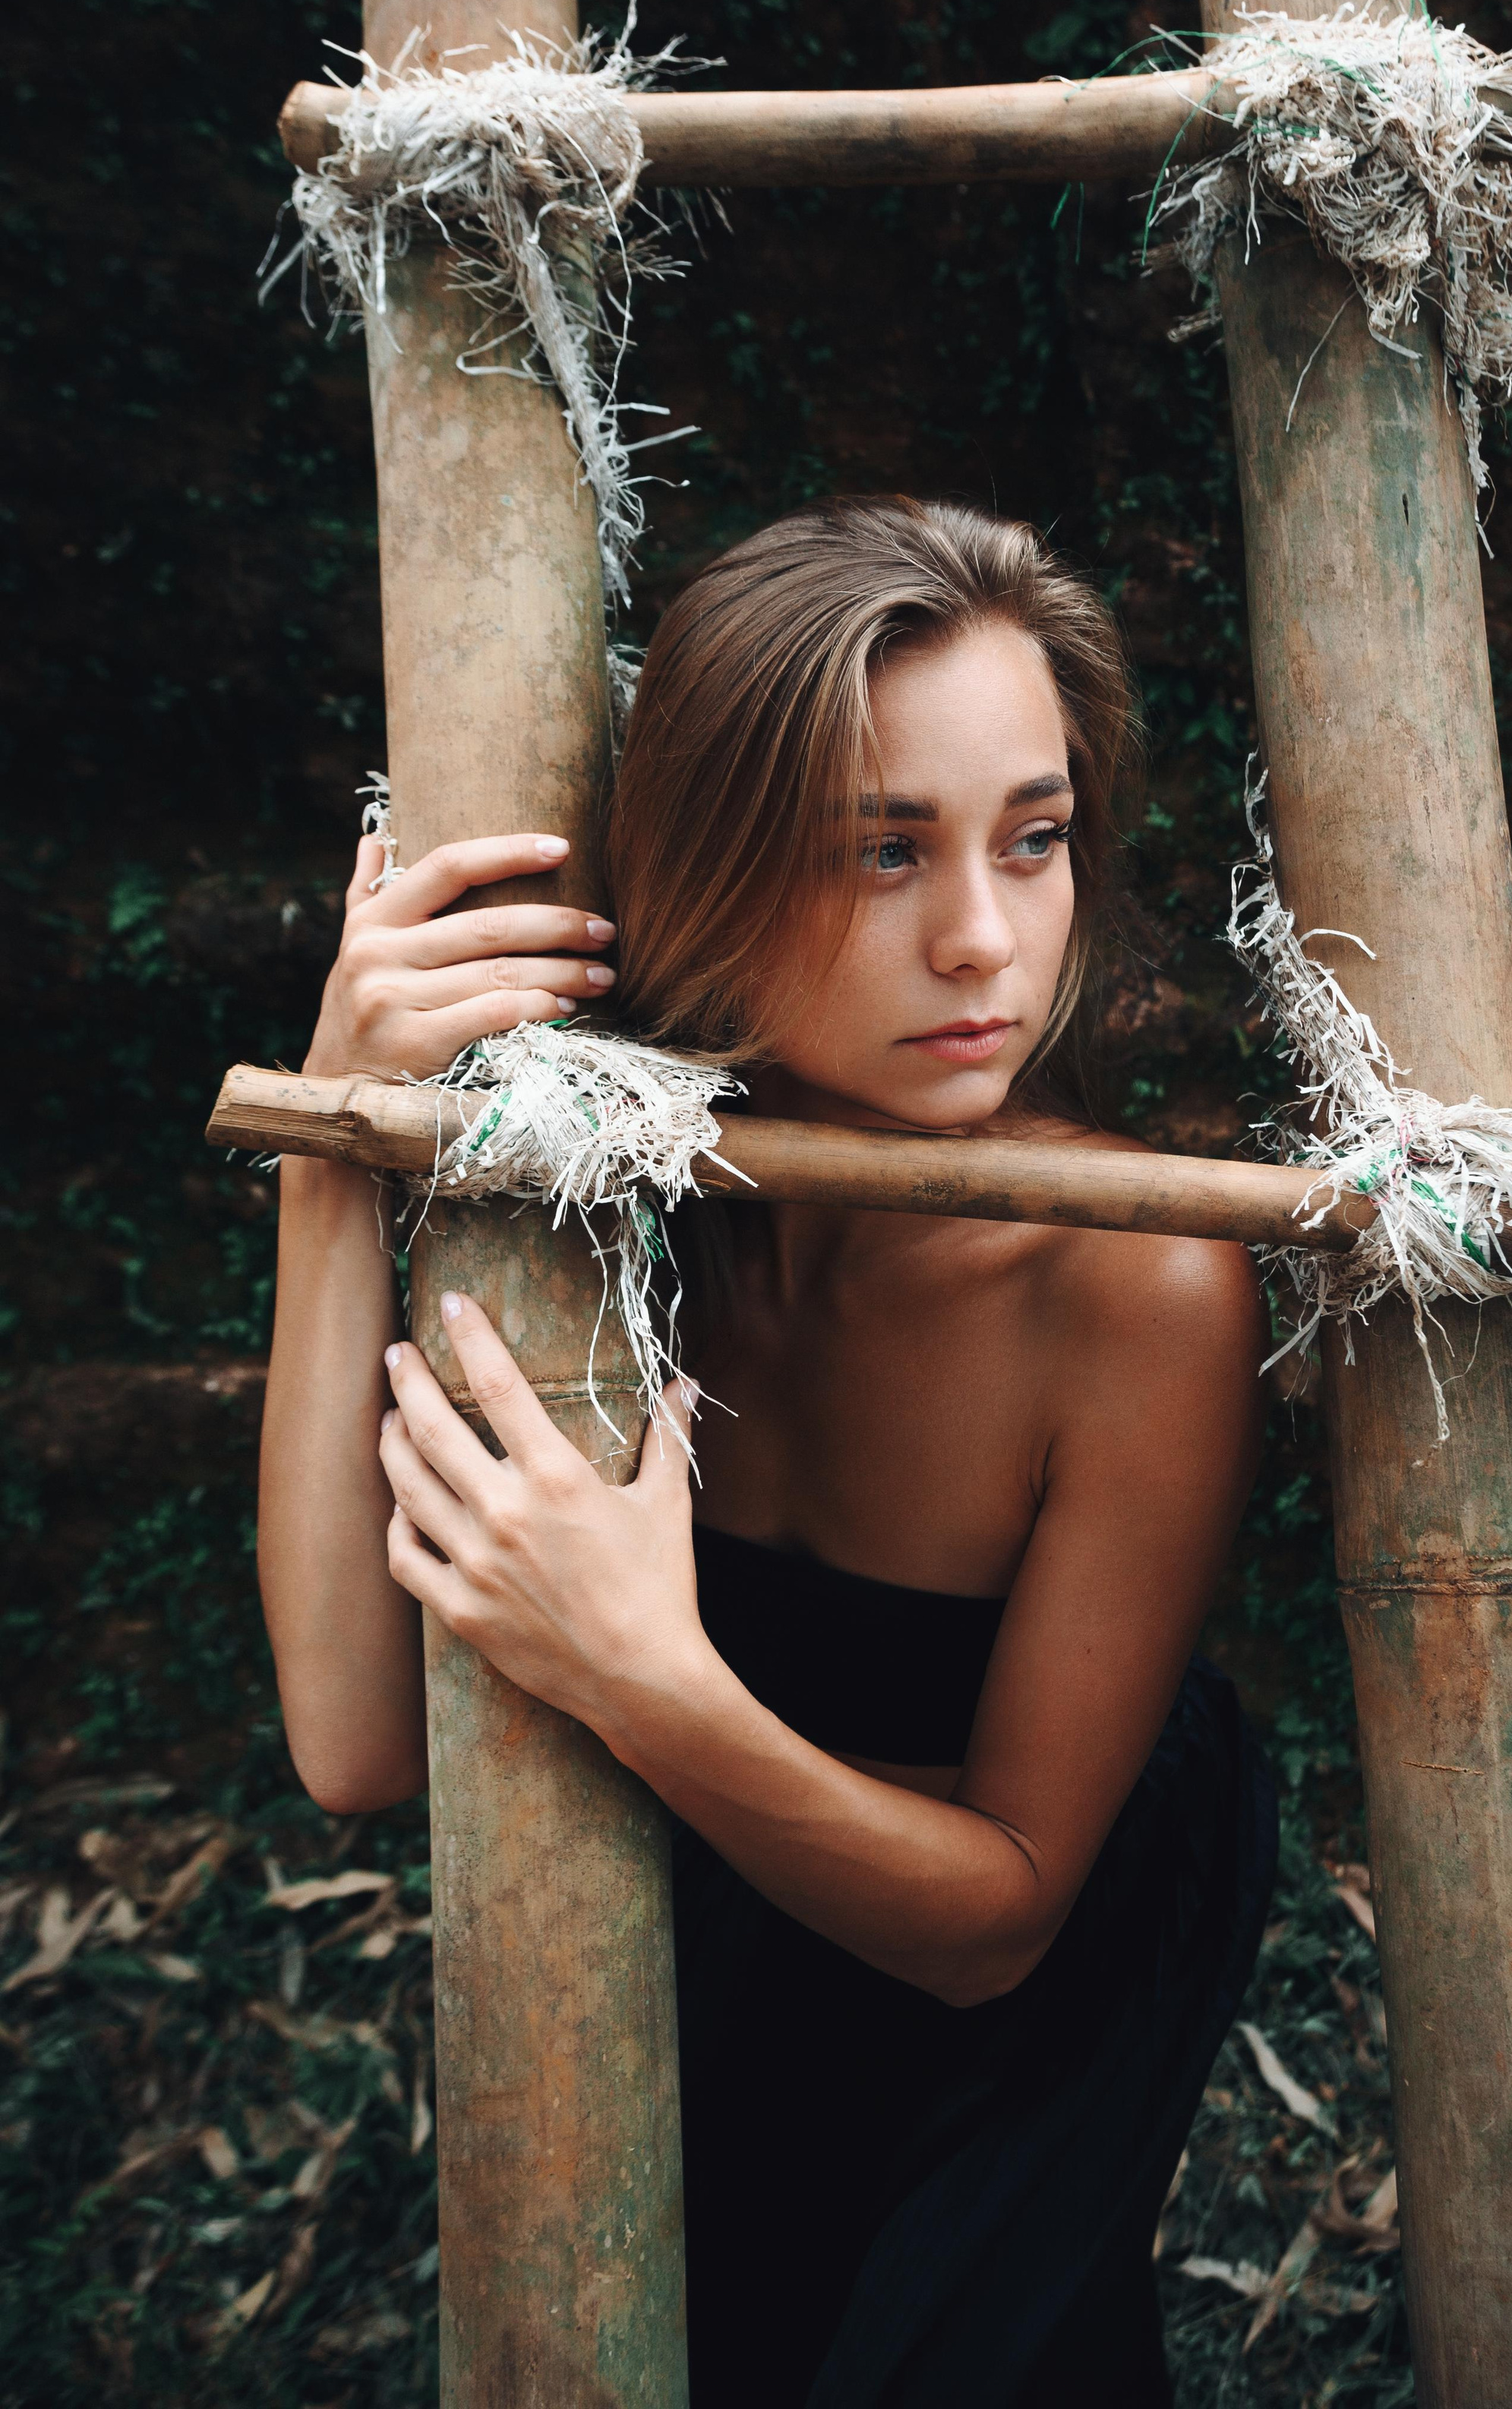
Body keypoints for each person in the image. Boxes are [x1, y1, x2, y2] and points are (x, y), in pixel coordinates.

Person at [258, 496, 1276, 2407]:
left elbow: (999, 1925)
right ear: (714, 864)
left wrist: (642, 1674)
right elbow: (353, 1742)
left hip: (983, 2108)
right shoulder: (617, 1212)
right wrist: (342, 1143)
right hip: (672, 2028)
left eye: (1033, 838)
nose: (983, 936)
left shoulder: (1133, 1281)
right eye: (879, 852)